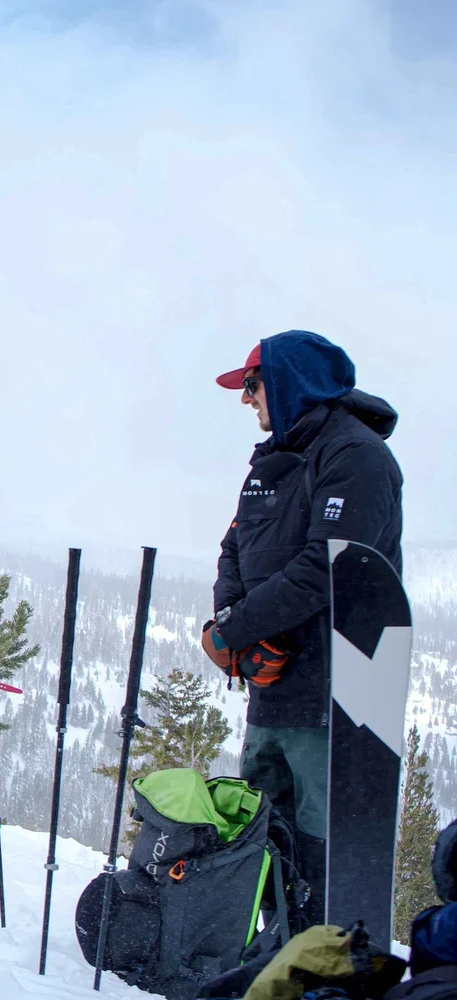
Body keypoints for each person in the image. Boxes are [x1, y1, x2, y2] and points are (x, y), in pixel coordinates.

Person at [201, 330, 402, 925]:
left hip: (338, 693)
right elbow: (233, 549)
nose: (247, 400)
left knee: (322, 851)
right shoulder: (273, 459)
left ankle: (323, 970)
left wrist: (235, 632)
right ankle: (273, 961)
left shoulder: (355, 457)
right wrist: (229, 627)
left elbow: (329, 567)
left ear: (290, 383)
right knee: (266, 838)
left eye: (253, 386)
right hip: (271, 690)